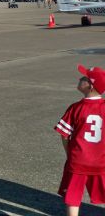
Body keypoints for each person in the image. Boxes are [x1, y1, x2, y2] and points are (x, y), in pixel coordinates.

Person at [55, 65, 105, 216]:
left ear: (90, 86)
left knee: (73, 196)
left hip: (78, 160)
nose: (79, 79)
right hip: (101, 161)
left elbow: (64, 135)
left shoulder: (76, 107)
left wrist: (69, 152)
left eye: (84, 78)